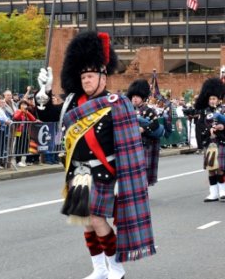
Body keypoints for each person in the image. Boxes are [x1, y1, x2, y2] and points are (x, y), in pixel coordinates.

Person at [35, 31, 155, 278]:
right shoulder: (72, 102)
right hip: (78, 172)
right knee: (87, 221)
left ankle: (116, 268)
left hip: (104, 172)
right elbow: (47, 116)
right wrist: (43, 95)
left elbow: (128, 146)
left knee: (98, 220)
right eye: (83, 76)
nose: (86, 81)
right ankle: (99, 269)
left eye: (90, 76)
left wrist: (124, 180)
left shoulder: (116, 103)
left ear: (103, 76)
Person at [127, 79, 163, 186]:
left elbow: (155, 124)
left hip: (146, 143)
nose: (134, 99)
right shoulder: (129, 110)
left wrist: (143, 129)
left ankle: (143, 190)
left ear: (143, 98)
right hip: (133, 144)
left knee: (144, 170)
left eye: (137, 97)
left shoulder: (149, 110)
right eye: (133, 96)